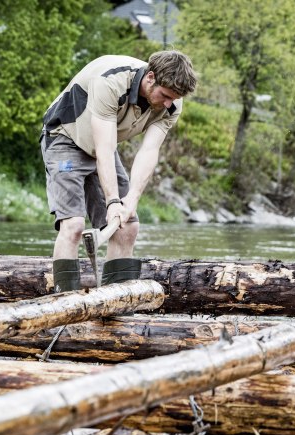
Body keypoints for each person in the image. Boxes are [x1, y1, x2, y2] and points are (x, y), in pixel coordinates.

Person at [41, 50, 197, 292]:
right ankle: (63, 306)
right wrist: (113, 200)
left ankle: (116, 308)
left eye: (174, 98)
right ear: (151, 77)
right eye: (165, 95)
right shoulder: (111, 82)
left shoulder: (172, 103)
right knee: (73, 225)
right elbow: (104, 149)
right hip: (66, 137)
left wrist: (131, 199)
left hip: (103, 145)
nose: (169, 103)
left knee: (127, 228)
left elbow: (148, 151)